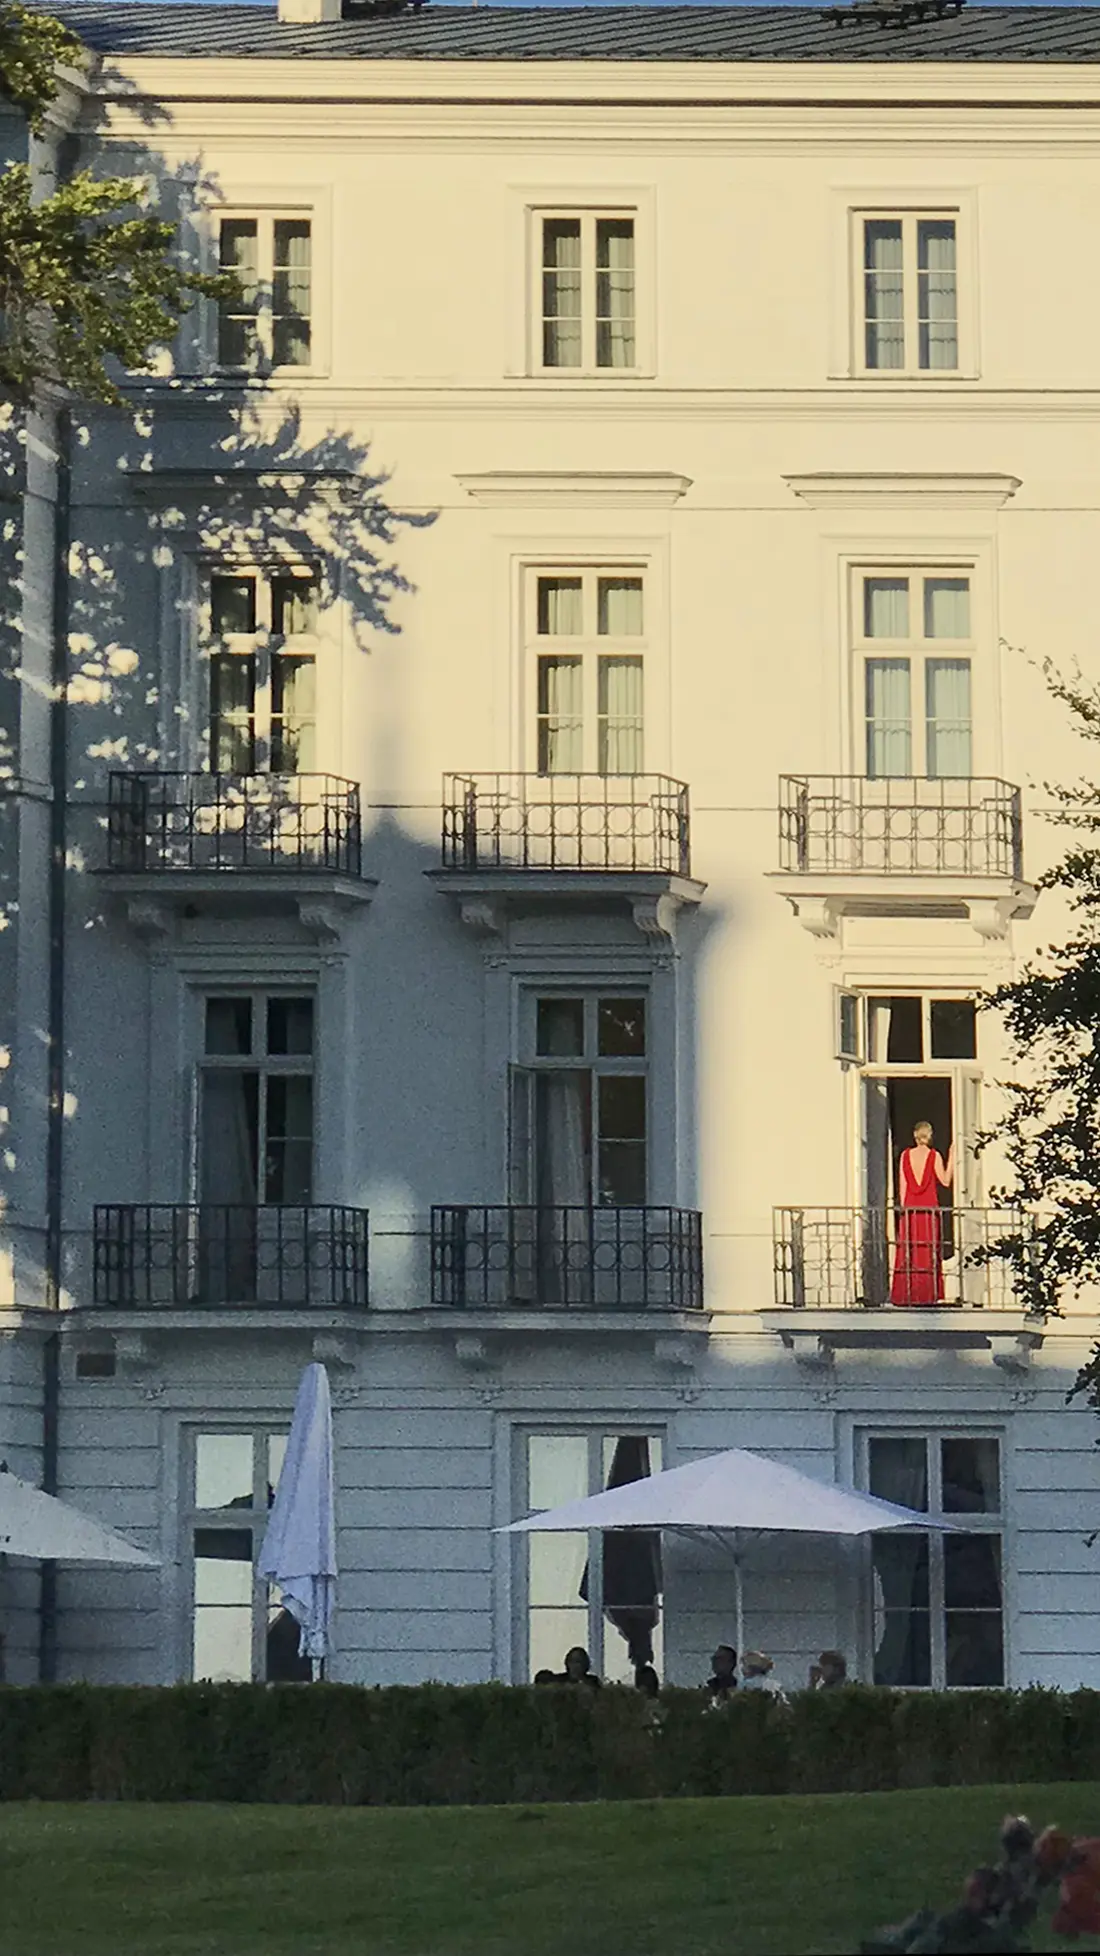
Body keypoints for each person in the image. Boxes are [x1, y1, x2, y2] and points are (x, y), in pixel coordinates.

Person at [890, 1120, 955, 1307]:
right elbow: (945, 1180)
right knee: (927, 1251)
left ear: (915, 1136)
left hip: (910, 1211)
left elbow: (902, 1187)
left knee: (909, 1251)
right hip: (928, 1211)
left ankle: (906, 1294)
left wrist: (903, 1212)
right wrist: (952, 1157)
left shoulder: (905, 1155)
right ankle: (927, 1294)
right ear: (930, 1135)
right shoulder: (934, 1156)